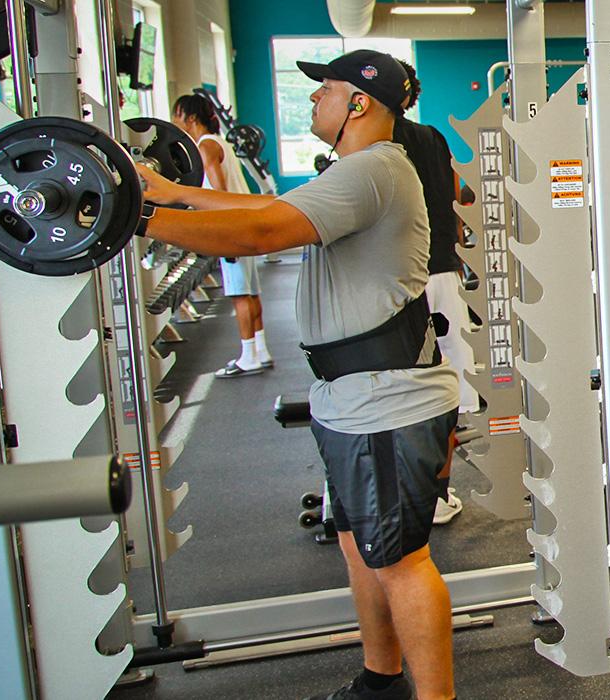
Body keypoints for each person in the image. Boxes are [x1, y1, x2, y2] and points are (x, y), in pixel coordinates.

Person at [132, 50, 459, 700]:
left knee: (400, 560)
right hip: (351, 397)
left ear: (359, 103)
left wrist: (133, 219)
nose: (313, 102)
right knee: (358, 547)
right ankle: (380, 680)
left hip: (385, 400)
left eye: (324, 91)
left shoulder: (372, 172)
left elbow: (258, 231)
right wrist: (171, 194)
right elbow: (264, 205)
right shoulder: (357, 170)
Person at [392, 59, 470, 526]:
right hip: (443, 274)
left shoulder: (373, 144)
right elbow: (459, 194)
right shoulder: (434, 138)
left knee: (397, 390)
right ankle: (437, 495)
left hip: (399, 281)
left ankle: (406, 494)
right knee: (446, 391)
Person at [170, 94, 271, 377]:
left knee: (240, 294)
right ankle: (260, 351)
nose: (173, 121)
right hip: (244, 222)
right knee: (250, 291)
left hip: (232, 227)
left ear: (190, 118)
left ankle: (248, 356)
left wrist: (220, 231)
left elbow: (218, 193)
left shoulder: (206, 147)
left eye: (176, 115)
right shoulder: (220, 141)